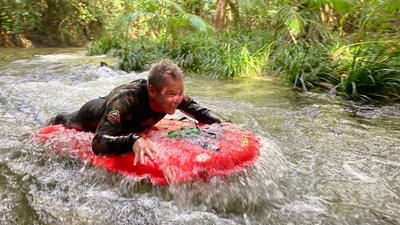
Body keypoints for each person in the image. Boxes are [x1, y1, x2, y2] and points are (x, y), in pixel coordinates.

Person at [49, 59, 221, 166]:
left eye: (181, 93)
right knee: (65, 119)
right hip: (91, 115)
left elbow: (202, 113)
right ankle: (54, 119)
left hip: (126, 117)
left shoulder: (174, 95)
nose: (179, 99)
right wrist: (133, 140)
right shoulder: (125, 101)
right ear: (152, 91)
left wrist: (222, 124)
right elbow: (98, 143)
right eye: (171, 94)